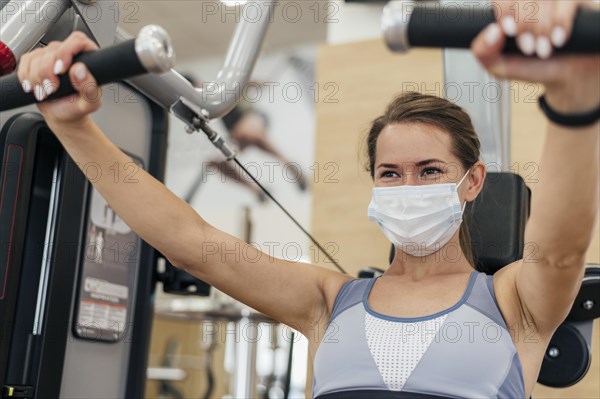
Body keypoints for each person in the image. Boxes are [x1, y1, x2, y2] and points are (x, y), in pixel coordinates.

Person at [16, 1, 599, 397]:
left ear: (472, 182)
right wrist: (74, 129)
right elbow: (194, 246)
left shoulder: (514, 302)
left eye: (429, 171)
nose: (408, 188)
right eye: (390, 174)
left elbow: (560, 249)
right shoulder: (328, 301)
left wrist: (574, 93)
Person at [181, 74, 308, 204]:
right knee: (214, 161)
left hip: (252, 118)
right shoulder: (199, 107)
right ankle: (257, 190)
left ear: (196, 84)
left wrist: (255, 83)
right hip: (236, 135)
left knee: (246, 131)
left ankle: (288, 164)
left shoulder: (215, 88)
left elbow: (240, 82)